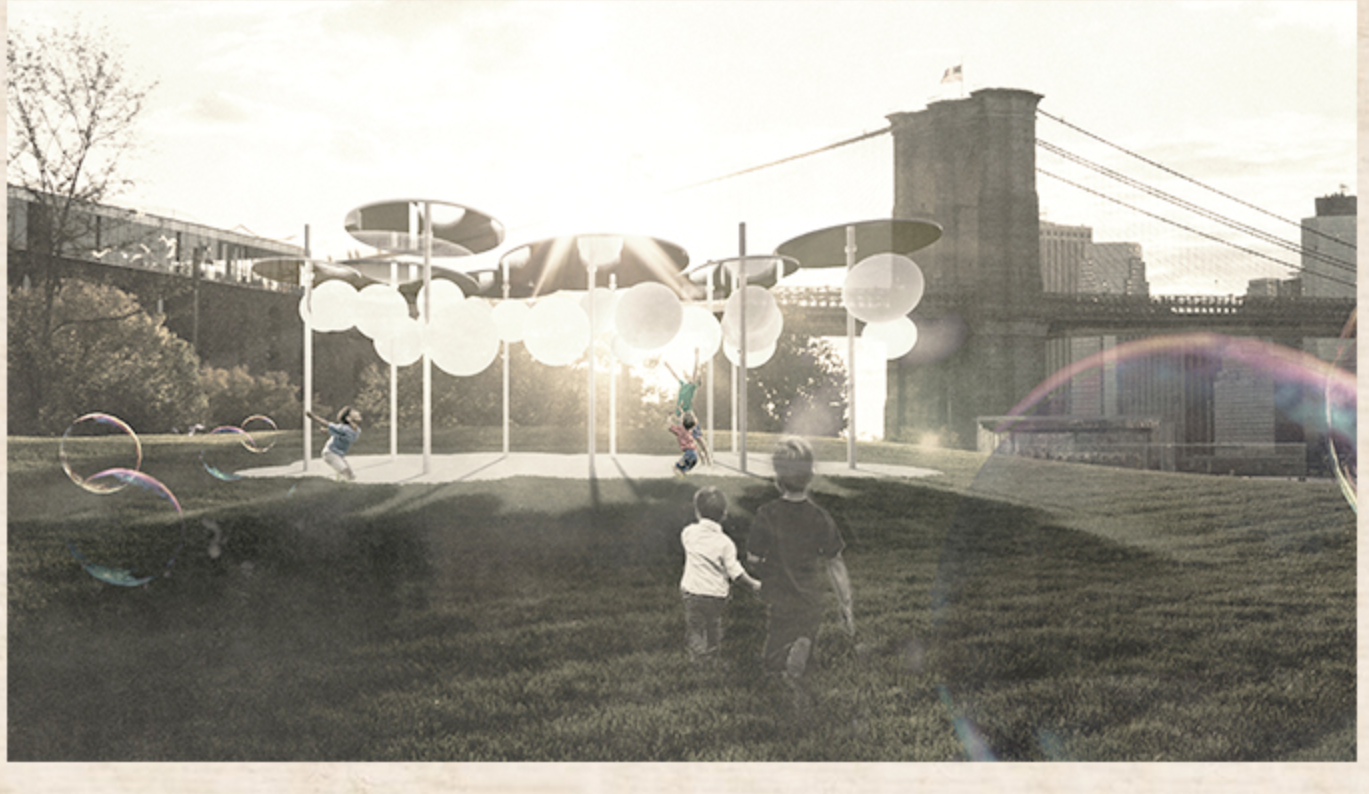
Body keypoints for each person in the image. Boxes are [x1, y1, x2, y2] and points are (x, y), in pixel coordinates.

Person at [747, 437, 854, 702]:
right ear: (810, 476)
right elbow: (835, 562)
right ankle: (802, 656)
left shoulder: (767, 514)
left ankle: (786, 659)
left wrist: (762, 566)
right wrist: (846, 605)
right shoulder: (820, 517)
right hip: (810, 600)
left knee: (772, 661)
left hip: (780, 598)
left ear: (777, 478)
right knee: (805, 641)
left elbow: (753, 557)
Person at [679, 486, 761, 664]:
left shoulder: (688, 533)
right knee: (713, 624)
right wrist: (753, 584)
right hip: (716, 595)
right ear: (724, 514)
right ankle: (712, 655)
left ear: (697, 511)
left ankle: (699, 657)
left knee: (695, 628)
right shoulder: (725, 543)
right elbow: (735, 572)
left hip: (692, 592)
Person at [308, 406, 362, 482]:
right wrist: (313, 416)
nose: (357, 412)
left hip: (339, 454)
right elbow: (327, 424)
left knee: (351, 476)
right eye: (354, 412)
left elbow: (341, 435)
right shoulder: (344, 428)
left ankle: (340, 484)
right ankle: (342, 487)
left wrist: (327, 431)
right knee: (346, 473)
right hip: (330, 453)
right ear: (348, 419)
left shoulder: (358, 430)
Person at [667, 411, 701, 476]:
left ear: (683, 422)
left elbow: (669, 425)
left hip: (688, 453)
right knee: (683, 471)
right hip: (696, 455)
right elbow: (694, 421)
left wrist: (669, 416)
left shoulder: (680, 429)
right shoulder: (691, 429)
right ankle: (683, 478)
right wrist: (691, 414)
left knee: (676, 468)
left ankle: (678, 480)